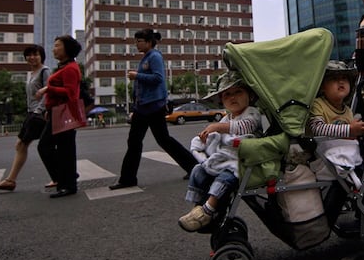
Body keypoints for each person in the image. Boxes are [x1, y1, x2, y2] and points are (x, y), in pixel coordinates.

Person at [109, 28, 196, 189]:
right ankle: (128, 179)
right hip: (143, 108)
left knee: (161, 140)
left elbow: (158, 79)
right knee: (139, 141)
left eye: (139, 41)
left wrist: (137, 76)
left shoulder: (154, 56)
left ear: (149, 42)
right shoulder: (146, 58)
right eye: (136, 41)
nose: (136, 44)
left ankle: (194, 167)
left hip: (154, 106)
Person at [178, 71, 262, 232]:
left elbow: (244, 127)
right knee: (198, 170)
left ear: (249, 95)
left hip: (242, 161)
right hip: (224, 158)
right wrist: (205, 139)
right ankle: (199, 206)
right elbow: (216, 136)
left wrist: (216, 127)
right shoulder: (226, 117)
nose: (233, 97)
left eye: (238, 92)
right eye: (227, 95)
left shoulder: (252, 113)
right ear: (222, 100)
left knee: (226, 178)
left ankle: (208, 210)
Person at [307, 61, 364, 218]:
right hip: (327, 159)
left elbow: (352, 137)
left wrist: (363, 135)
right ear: (322, 87)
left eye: (344, 79)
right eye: (334, 79)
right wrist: (349, 130)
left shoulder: (347, 110)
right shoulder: (318, 105)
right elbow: (317, 128)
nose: (340, 82)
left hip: (348, 154)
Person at [0, 45, 52, 191]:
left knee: (33, 146)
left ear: (41, 56)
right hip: (31, 113)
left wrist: (39, 110)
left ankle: (11, 180)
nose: (32, 57)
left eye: (35, 54)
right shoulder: (31, 74)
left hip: (39, 114)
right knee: (22, 145)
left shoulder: (45, 71)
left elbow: (48, 91)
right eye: (29, 55)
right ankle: (11, 180)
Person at [36, 35, 84, 199]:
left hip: (65, 111)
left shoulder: (71, 68)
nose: (53, 48)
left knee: (55, 148)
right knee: (59, 148)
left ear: (67, 49)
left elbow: (71, 94)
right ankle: (66, 179)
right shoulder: (64, 67)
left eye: (57, 46)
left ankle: (67, 183)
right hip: (57, 111)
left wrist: (48, 89)